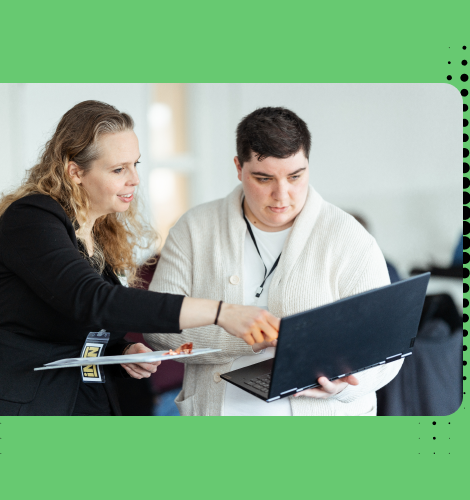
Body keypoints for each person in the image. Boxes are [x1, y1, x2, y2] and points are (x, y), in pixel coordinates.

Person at [0, 100, 279, 416]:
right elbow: (92, 300)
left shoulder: (96, 231)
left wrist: (121, 349)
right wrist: (221, 312)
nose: (134, 179)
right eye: (118, 169)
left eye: (135, 164)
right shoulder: (31, 219)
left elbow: (75, 324)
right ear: (75, 172)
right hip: (16, 403)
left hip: (82, 397)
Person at [144, 107, 402, 416]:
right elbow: (158, 329)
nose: (282, 194)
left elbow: (389, 349)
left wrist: (345, 385)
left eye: (295, 176)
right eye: (263, 178)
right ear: (239, 168)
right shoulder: (194, 229)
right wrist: (247, 337)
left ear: (308, 164)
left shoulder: (349, 237)